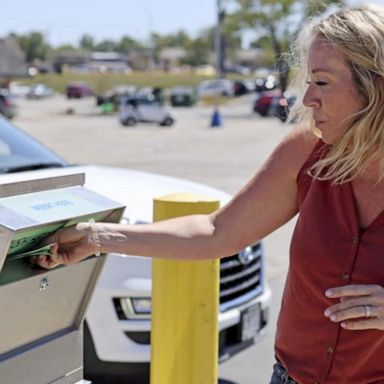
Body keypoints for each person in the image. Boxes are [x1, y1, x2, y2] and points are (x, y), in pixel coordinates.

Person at [35, 4, 384, 383]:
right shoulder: (306, 151)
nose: (307, 100)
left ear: (375, 86)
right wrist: (95, 237)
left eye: (322, 82)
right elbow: (216, 232)